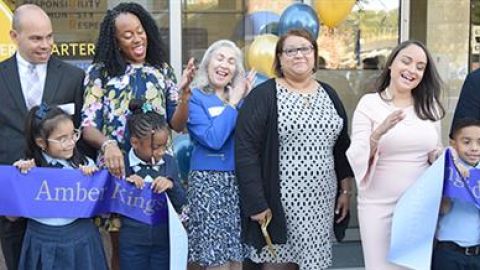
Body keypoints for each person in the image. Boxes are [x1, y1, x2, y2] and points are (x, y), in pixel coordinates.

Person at [81, 3, 194, 268]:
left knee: (160, 246)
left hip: (158, 171)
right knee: (123, 250)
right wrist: (108, 144)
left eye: (140, 31)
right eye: (127, 34)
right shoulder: (100, 72)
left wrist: (186, 96)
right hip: (119, 173)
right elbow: (87, 126)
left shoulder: (162, 69)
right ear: (115, 41)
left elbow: (176, 124)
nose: (137, 38)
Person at [235, 29, 354, 270]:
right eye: (291, 50)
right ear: (279, 58)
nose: (299, 55)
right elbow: (246, 150)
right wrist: (256, 203)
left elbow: (341, 147)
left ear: (314, 55)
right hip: (279, 205)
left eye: (305, 49)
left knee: (313, 264)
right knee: (279, 264)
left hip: (320, 203)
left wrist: (345, 190)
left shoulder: (329, 94)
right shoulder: (264, 95)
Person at [346, 40, 445, 269]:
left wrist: (439, 156)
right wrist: (377, 134)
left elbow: (434, 151)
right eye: (406, 61)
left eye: (420, 67)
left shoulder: (430, 107)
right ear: (391, 64)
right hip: (377, 206)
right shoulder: (369, 104)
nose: (412, 70)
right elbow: (356, 156)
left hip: (418, 206)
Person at [0, 4, 85, 270]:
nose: (46, 44)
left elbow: (80, 133)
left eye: (49, 36)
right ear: (14, 37)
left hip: (60, 199)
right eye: (36, 38)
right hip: (13, 195)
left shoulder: (74, 77)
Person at [12, 104, 107, 270]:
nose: (71, 143)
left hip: (81, 239)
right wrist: (19, 180)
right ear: (41, 142)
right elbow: (11, 216)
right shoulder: (28, 169)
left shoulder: (85, 164)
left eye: (73, 135)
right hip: (41, 241)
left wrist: (93, 180)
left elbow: (102, 209)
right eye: (63, 139)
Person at [186, 40, 254, 270]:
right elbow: (213, 139)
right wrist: (234, 103)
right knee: (216, 261)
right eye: (220, 58)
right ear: (208, 63)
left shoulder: (242, 101)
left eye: (231, 61)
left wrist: (248, 101)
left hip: (237, 183)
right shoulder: (196, 97)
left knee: (236, 259)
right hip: (208, 183)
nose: (224, 64)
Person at [120, 99, 186, 270]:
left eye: (164, 146)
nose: (161, 152)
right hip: (132, 243)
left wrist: (171, 184)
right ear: (135, 143)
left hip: (163, 241)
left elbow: (181, 202)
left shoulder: (168, 163)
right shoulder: (123, 164)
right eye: (156, 147)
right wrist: (125, 187)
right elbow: (109, 207)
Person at [432, 118, 480, 270]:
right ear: (454, 143)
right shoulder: (445, 169)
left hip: (477, 253)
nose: (474, 148)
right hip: (448, 251)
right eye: (466, 142)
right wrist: (453, 171)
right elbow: (437, 208)